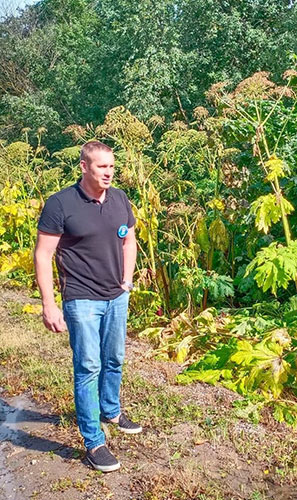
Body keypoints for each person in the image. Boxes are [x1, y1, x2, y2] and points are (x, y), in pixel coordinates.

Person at [34, 141, 141, 473]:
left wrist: (127, 280)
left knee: (115, 358)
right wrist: (49, 306)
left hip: (116, 296)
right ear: (84, 167)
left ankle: (111, 409)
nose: (108, 173)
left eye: (111, 166)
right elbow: (43, 255)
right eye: (101, 167)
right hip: (81, 298)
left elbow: (129, 239)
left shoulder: (120, 198)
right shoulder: (60, 204)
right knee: (88, 366)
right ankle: (94, 441)